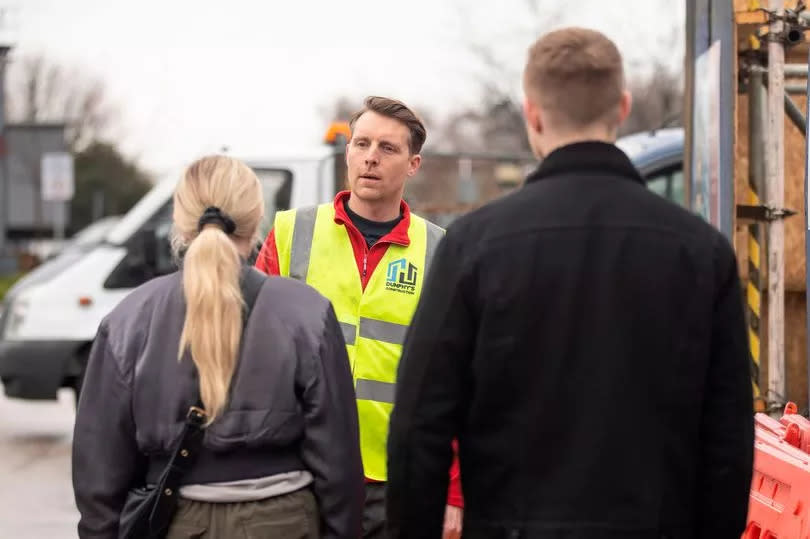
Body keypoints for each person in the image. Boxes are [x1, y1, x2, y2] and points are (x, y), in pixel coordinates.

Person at [386, 27, 754, 539]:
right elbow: (729, 442)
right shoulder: (702, 252)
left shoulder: (473, 246)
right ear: (622, 107)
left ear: (532, 114)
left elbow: (417, 427)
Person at [72, 155, 364, 539]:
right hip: (282, 523)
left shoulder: (128, 320)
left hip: (173, 521)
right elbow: (338, 462)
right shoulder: (307, 313)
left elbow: (99, 474)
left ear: (179, 221)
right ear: (257, 218)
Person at [255, 96, 464, 538]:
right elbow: (248, 354)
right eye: (361, 143)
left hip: (394, 479)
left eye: (388, 148)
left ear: (413, 164)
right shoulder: (291, 232)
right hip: (298, 471)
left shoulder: (441, 251)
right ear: (347, 152)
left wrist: (455, 494)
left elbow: (461, 381)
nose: (370, 156)